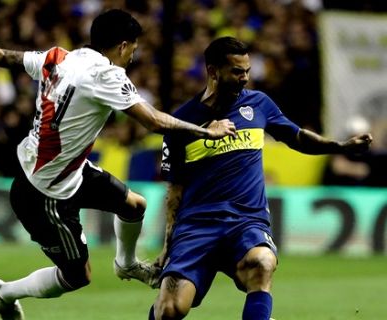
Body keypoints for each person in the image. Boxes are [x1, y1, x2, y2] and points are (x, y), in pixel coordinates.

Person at [0, 9, 236, 320]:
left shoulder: (58, 57)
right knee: (78, 276)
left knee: (135, 205)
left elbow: (0, 55)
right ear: (122, 46)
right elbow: (153, 121)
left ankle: (126, 264)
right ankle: (5, 293)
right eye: (132, 49)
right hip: (46, 194)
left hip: (67, 171)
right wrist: (206, 131)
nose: (132, 57)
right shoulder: (106, 74)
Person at [150, 36, 373, 320]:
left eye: (247, 71)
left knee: (263, 263)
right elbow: (175, 191)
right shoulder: (182, 121)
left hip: (246, 221)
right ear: (213, 71)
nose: (244, 78)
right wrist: (168, 246)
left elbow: (297, 137)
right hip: (197, 226)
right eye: (237, 71)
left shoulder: (259, 104)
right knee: (170, 309)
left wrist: (339, 146)